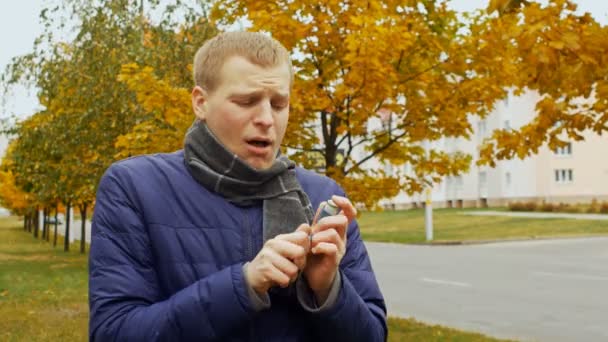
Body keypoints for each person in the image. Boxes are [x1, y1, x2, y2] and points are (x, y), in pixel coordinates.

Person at [89, 31, 387, 341]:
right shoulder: (133, 187)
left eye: (279, 104)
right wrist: (245, 284)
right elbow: (114, 332)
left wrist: (328, 289)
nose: (266, 119)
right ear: (200, 103)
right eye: (247, 101)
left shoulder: (325, 198)